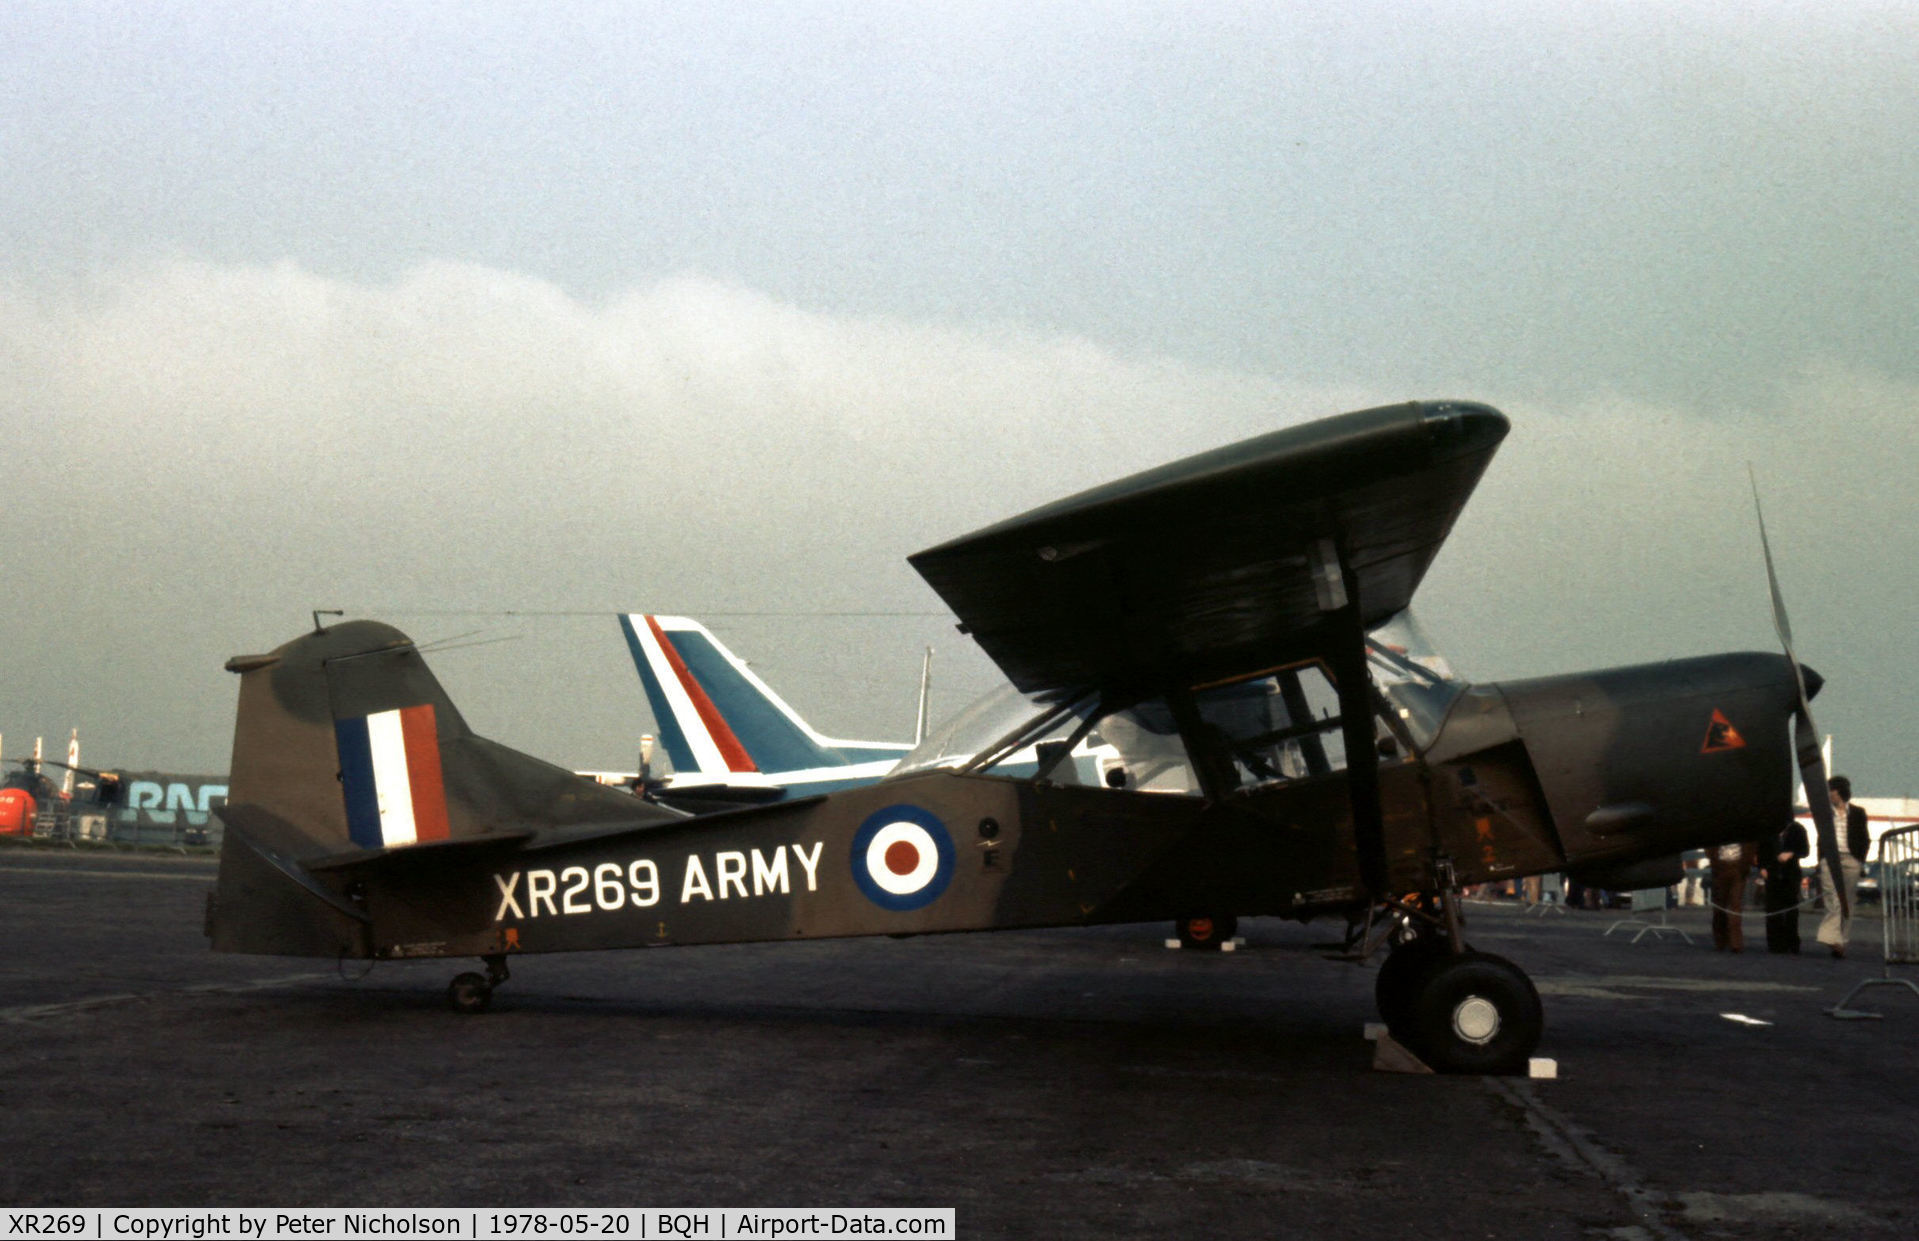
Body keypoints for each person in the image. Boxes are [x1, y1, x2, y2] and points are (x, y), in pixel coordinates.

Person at [1816, 775, 1872, 959]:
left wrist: (1859, 859)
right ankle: (1830, 937)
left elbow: (1864, 837)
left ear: (1839, 792)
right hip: (1830, 857)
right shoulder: (1825, 812)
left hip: (1851, 858)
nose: (1829, 794)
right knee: (1832, 897)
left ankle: (1841, 941)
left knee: (1847, 901)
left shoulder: (1857, 813)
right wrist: (1821, 858)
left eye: (1831, 790)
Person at [1758, 816, 1809, 954]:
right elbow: (1762, 850)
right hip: (1772, 873)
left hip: (1790, 874)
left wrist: (1791, 853)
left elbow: (1805, 851)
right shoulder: (1768, 830)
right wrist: (1762, 867)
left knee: (1791, 909)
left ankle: (1792, 942)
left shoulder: (1797, 829)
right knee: (1773, 909)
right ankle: (1775, 944)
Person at [1709, 838, 1758, 952]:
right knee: (1719, 906)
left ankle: (1735, 943)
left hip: (1738, 870)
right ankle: (1720, 941)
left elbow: (1751, 847)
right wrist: (1715, 863)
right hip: (1720, 868)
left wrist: (1745, 865)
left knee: (1735, 906)